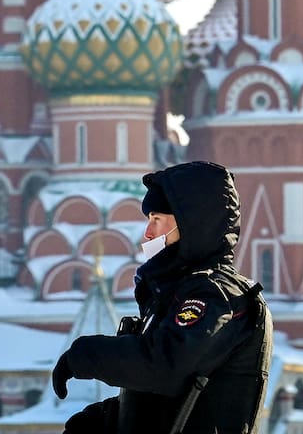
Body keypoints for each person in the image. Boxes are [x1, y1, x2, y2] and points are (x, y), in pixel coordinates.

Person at [51, 161, 273, 434]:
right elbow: (170, 398)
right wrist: (107, 419)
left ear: (192, 223)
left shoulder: (215, 295)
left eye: (157, 219)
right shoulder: (178, 292)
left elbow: (164, 367)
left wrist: (85, 356)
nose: (148, 233)